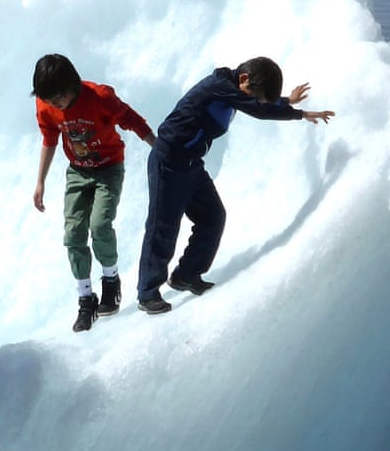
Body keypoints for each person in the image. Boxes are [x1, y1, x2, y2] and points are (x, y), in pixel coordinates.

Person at [135, 57, 333, 314]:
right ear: (243, 78)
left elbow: (256, 103)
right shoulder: (218, 86)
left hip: (191, 164)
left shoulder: (232, 90)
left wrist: (286, 101)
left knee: (212, 217)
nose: (255, 100)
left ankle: (186, 275)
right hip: (169, 162)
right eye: (255, 94)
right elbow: (258, 109)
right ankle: (147, 294)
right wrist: (299, 114)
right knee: (163, 227)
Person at [31, 53, 156, 332]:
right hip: (78, 172)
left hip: (109, 168)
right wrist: (40, 182)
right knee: (73, 234)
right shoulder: (45, 105)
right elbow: (50, 140)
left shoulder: (99, 97)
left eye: (58, 98)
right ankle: (86, 299)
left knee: (99, 225)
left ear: (72, 86)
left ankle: (111, 281)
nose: (54, 104)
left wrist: (157, 146)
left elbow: (132, 120)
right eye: (49, 100)